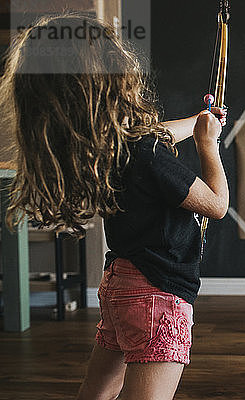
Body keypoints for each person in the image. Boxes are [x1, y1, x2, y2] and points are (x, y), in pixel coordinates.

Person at [0, 12, 228, 400]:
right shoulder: (149, 156)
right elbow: (217, 205)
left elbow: (153, 135)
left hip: (121, 285)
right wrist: (209, 145)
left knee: (95, 393)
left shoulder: (101, 145)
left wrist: (198, 122)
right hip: (158, 293)